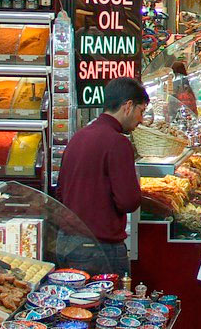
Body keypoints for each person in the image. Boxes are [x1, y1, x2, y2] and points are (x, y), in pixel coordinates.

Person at [57, 77, 147, 275]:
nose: (141, 120)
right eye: (141, 111)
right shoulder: (118, 143)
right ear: (128, 106)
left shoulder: (79, 136)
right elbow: (128, 201)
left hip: (66, 243)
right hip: (99, 249)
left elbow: (61, 191)